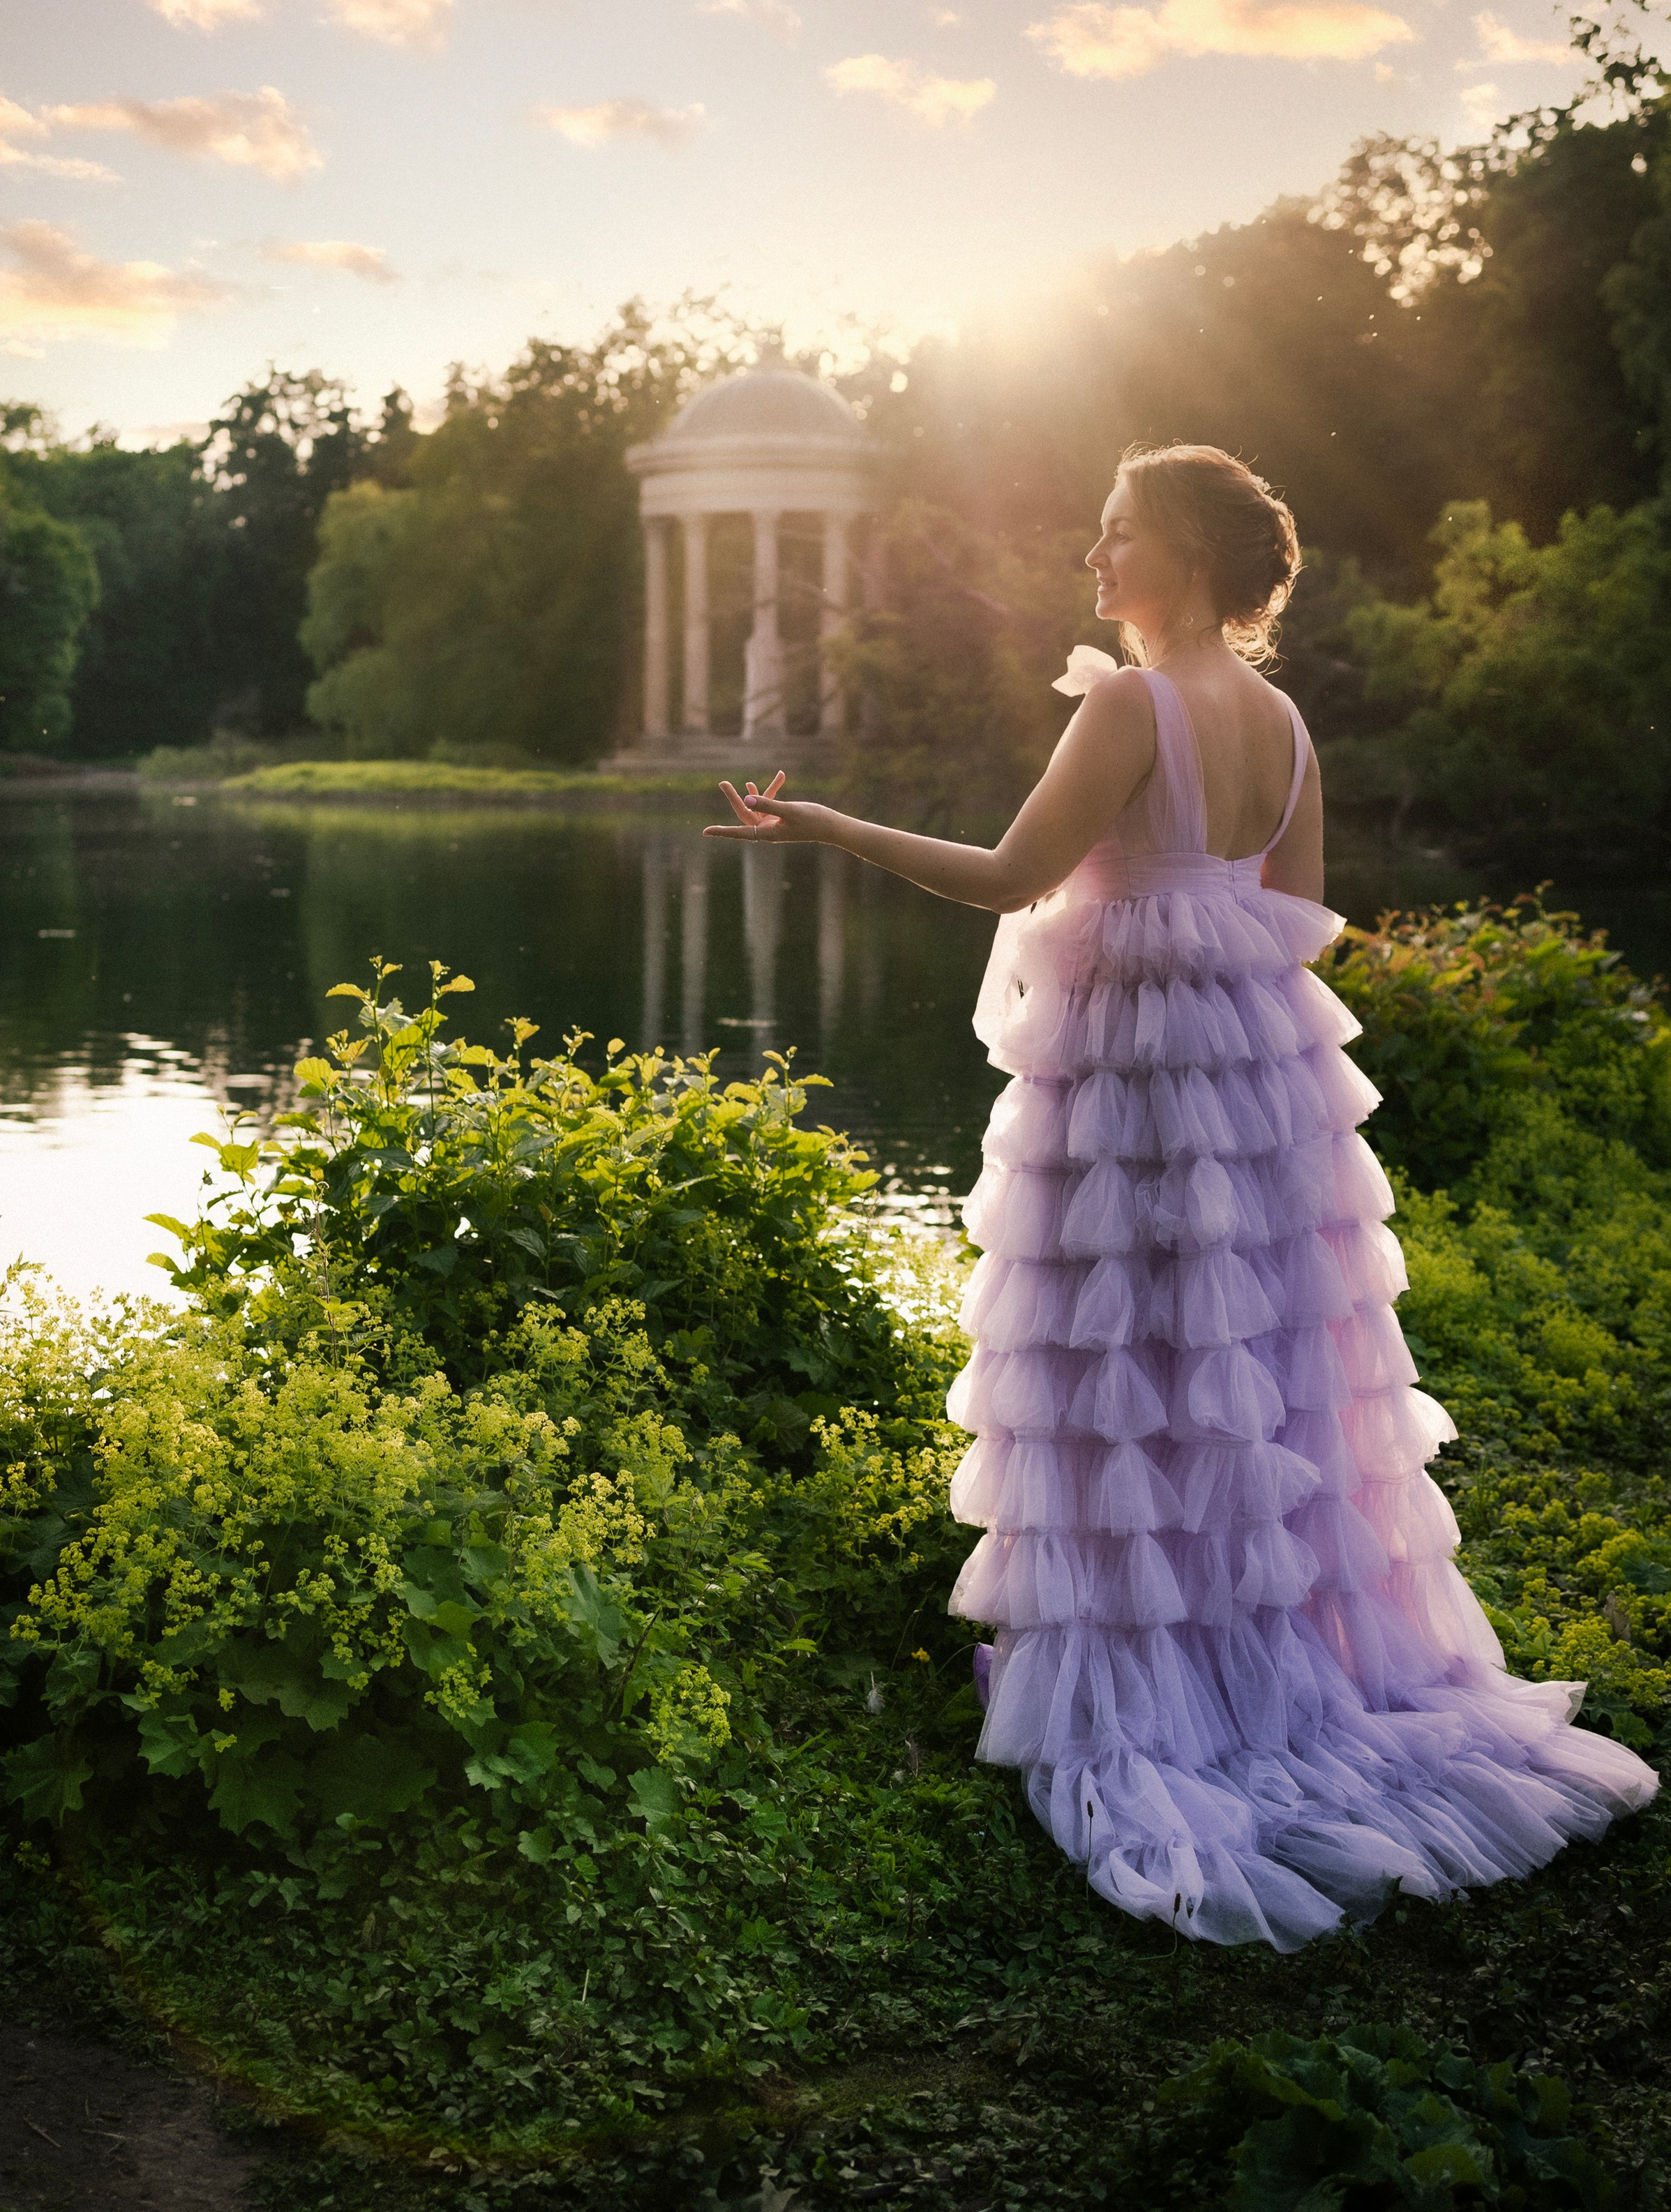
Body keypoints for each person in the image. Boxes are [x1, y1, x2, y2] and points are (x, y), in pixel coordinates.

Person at [705, 440, 1657, 1952]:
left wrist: (825, 826)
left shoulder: (1129, 705)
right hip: (1256, 1094)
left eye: (1118, 534)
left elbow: (1007, 876)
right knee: (1246, 1372)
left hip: (1133, 1091)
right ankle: (1258, 1660)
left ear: (1190, 559)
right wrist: (1187, 936)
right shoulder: (1284, 723)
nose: (1093, 558)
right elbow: (1300, 919)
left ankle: (1151, 1685)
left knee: (1122, 1367)